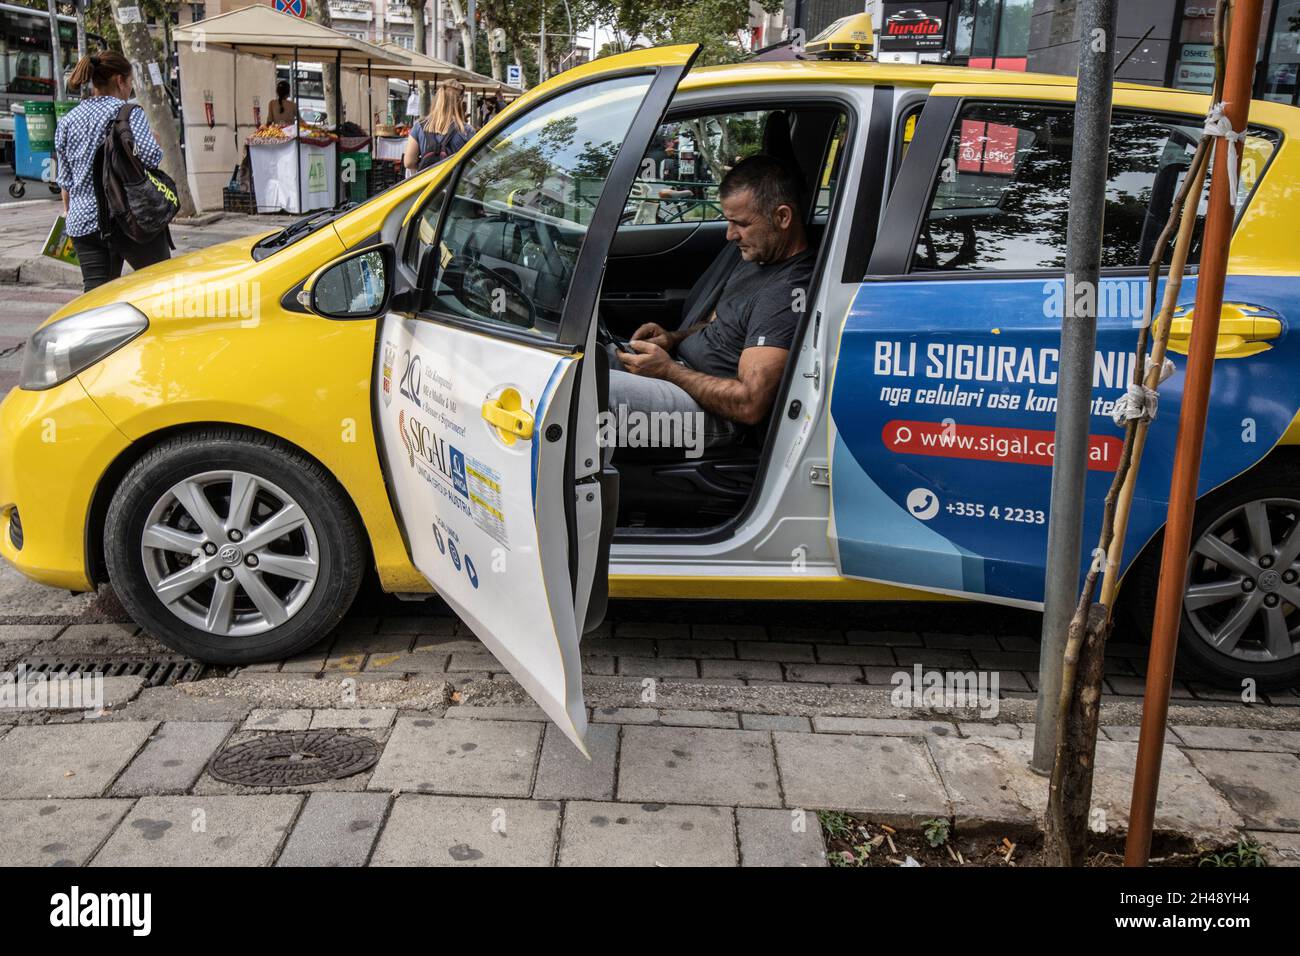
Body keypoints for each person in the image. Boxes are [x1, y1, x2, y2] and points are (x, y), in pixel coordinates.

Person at [610, 155, 815, 450]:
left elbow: (749, 404)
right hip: (682, 374)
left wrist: (668, 371)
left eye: (740, 223)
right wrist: (672, 338)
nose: (730, 234)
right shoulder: (758, 257)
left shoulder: (786, 291)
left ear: (783, 217)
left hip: (714, 414)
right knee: (585, 362)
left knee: (597, 392)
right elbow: (716, 325)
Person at [54, 51, 171, 293]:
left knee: (96, 298)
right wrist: (155, 142)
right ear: (120, 81)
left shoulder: (67, 120)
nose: (129, 89)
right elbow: (150, 156)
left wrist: (69, 212)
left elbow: (65, 182)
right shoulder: (127, 113)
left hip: (83, 224)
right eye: (129, 83)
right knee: (162, 285)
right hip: (127, 218)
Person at [403, 81, 475, 172]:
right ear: (459, 103)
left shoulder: (419, 126)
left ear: (437, 100)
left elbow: (408, 163)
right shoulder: (466, 130)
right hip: (454, 184)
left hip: (428, 183)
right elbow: (474, 163)